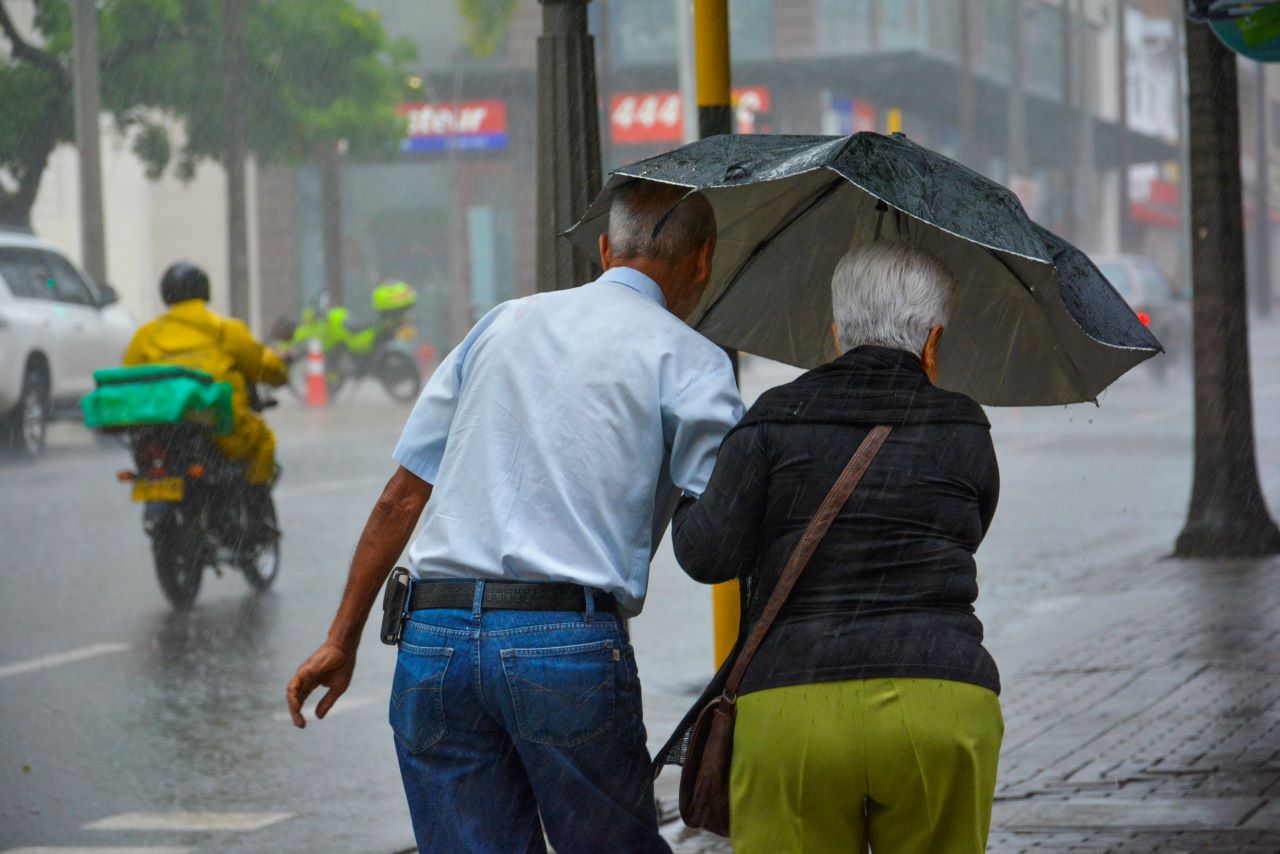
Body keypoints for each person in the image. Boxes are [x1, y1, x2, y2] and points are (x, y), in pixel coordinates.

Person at [286, 180, 744, 853]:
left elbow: (400, 497)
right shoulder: (692, 361)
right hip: (562, 642)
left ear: (603, 249)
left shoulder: (502, 322)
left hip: (432, 640)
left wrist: (340, 638)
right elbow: (724, 525)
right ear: (702, 260)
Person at [663, 241, 1003, 852]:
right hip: (940, 702)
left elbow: (707, 553)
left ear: (836, 330)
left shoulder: (774, 417)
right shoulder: (964, 425)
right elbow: (972, 527)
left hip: (794, 709)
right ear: (932, 341)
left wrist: (693, 486)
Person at [123, 262, 288, 515]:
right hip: (220, 429)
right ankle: (255, 512)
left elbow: (129, 380)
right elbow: (263, 366)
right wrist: (280, 369)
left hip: (163, 431)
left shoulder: (145, 335)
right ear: (204, 290)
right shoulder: (226, 330)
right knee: (263, 440)